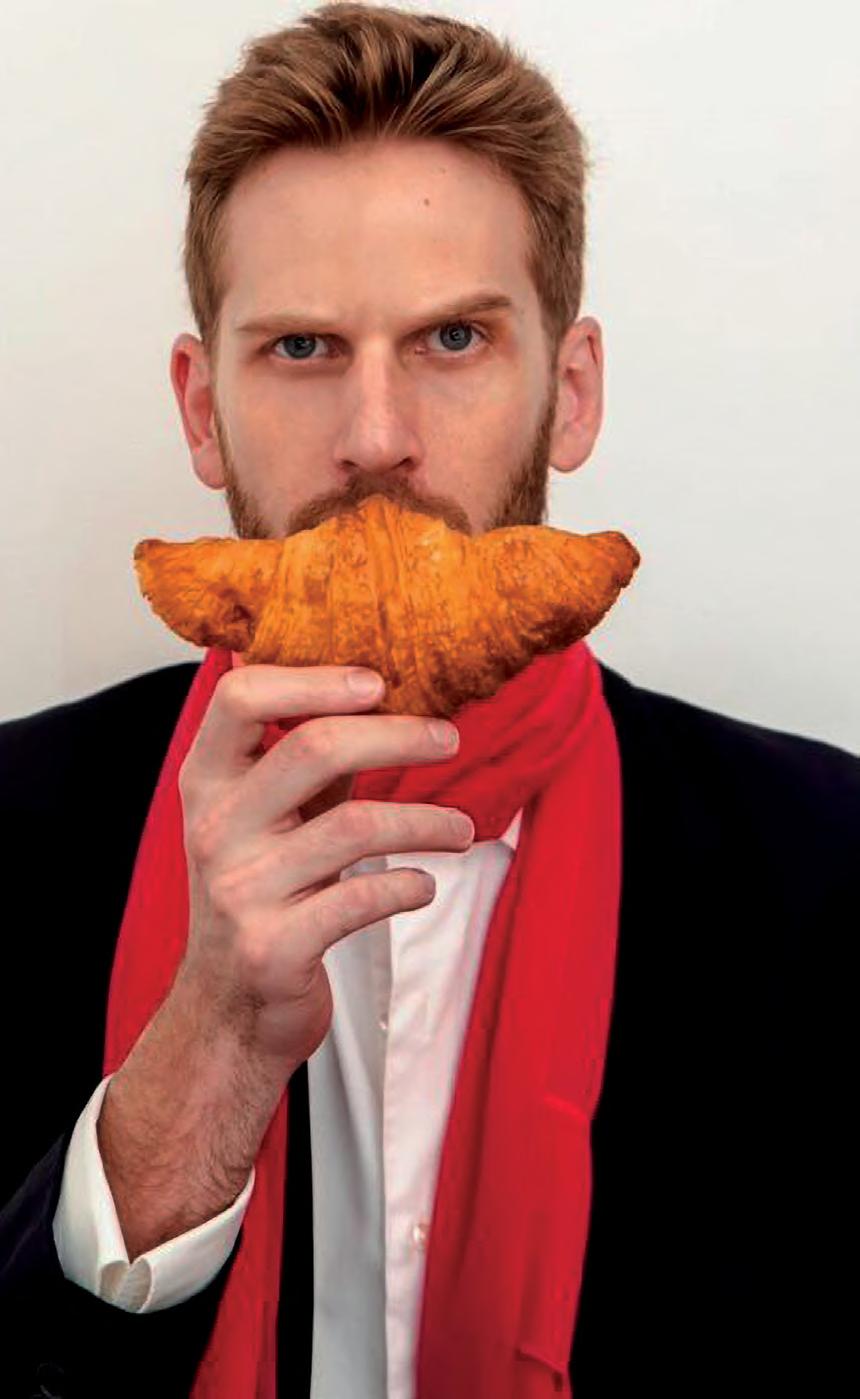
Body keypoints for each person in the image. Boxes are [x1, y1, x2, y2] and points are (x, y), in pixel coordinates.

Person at [1, 4, 856, 1397]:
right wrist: (201, 1057)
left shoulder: (828, 860)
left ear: (570, 392)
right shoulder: (12, 828)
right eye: (301, 348)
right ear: (201, 408)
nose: (377, 438)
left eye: (454, 338)